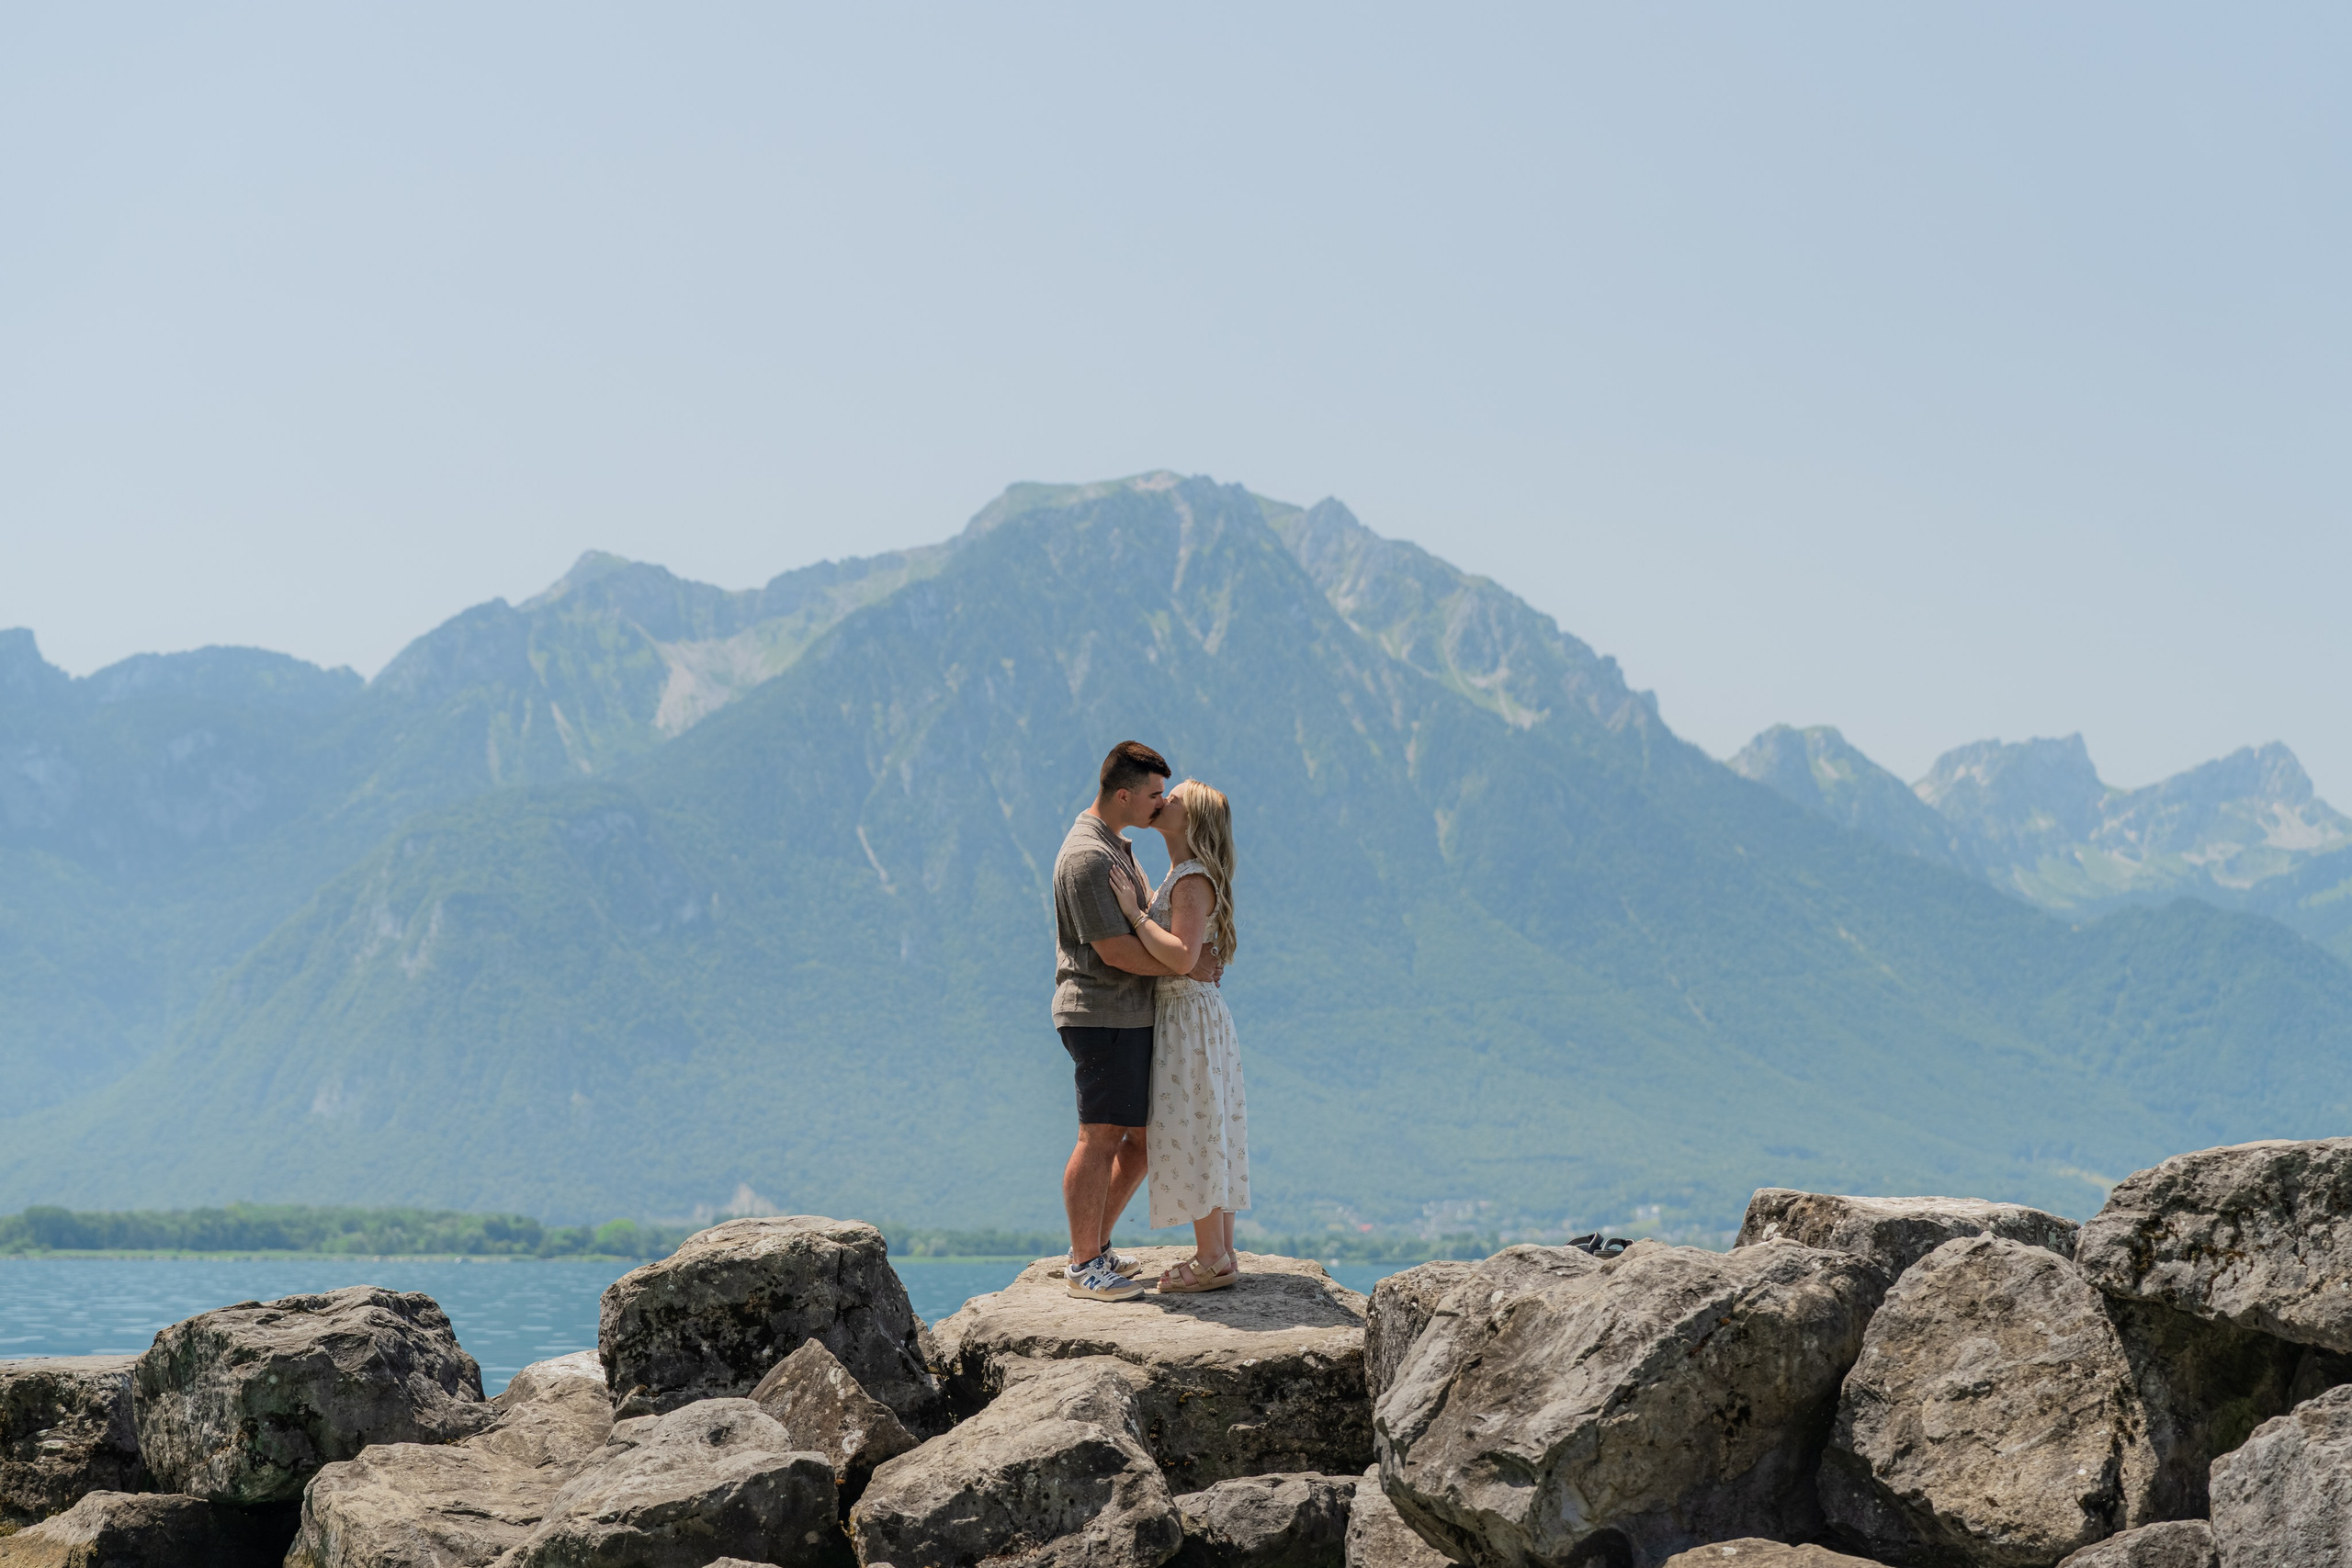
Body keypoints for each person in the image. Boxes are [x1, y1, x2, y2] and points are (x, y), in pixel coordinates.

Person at [1049, 740, 1221, 1302]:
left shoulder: (1116, 847)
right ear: (1124, 794)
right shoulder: (1087, 857)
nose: (1158, 802)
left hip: (1131, 1013)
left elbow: (1148, 929)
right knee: (1099, 1135)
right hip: (1102, 1013)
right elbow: (1115, 952)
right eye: (1152, 794)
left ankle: (1095, 1248)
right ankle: (1082, 1265)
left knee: (1143, 1140)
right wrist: (1187, 967)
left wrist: (1185, 960)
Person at [1112, 778, 1250, 1293]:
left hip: (1187, 1017)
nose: (1162, 801)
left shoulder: (1191, 878)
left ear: (1190, 822)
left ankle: (1211, 1256)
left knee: (1192, 1125)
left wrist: (1133, 914)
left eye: (1174, 799)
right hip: (1194, 1014)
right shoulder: (1184, 873)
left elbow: (1183, 957)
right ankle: (1222, 1251)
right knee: (1207, 1123)